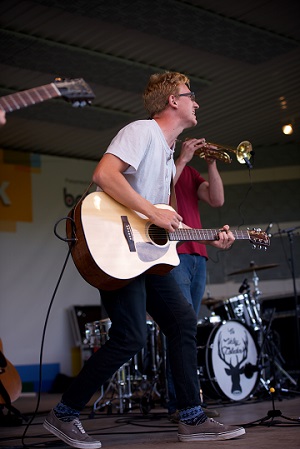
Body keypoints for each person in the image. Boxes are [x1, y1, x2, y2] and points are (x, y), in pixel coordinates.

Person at [43, 71, 245, 448]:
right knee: (131, 337)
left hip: (149, 257)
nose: (196, 102)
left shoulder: (169, 157)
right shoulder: (141, 131)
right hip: (118, 254)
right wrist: (155, 213)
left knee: (184, 322)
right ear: (173, 101)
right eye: (191, 95)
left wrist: (210, 238)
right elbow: (104, 174)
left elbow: (161, 222)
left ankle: (192, 418)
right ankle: (63, 415)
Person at [166, 139, 224, 420]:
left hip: (198, 256)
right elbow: (162, 189)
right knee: (181, 328)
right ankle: (182, 404)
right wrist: (183, 158)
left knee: (188, 330)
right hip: (173, 254)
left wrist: (212, 163)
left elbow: (217, 199)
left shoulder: (191, 175)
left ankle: (189, 402)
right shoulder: (168, 167)